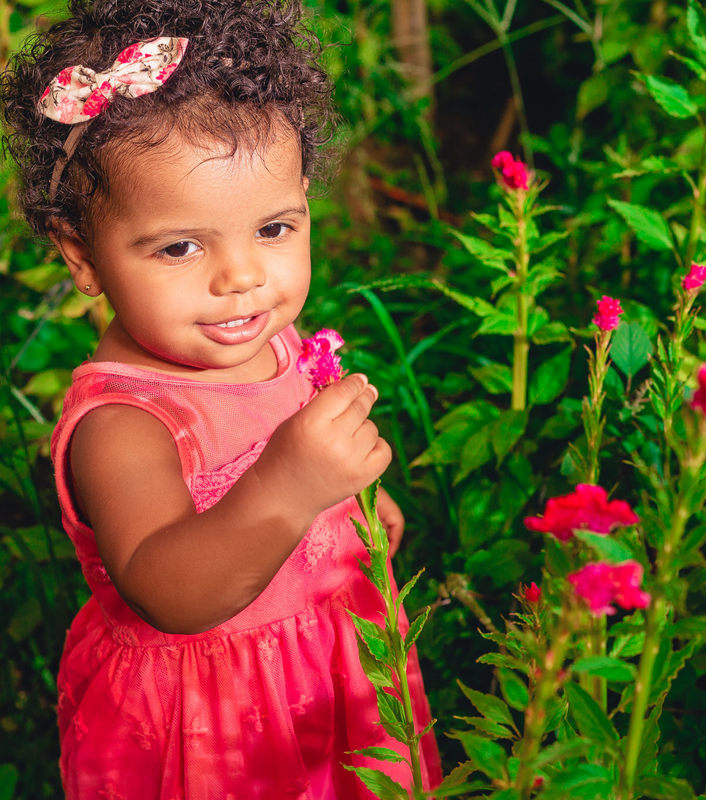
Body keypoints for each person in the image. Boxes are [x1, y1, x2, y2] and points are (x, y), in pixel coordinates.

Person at [0, 1, 441, 795]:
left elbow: (304, 456)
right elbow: (171, 592)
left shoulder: (269, 339)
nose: (241, 278)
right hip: (214, 726)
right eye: (179, 246)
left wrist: (350, 511)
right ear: (83, 256)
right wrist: (294, 484)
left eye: (273, 230)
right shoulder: (123, 424)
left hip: (332, 670)